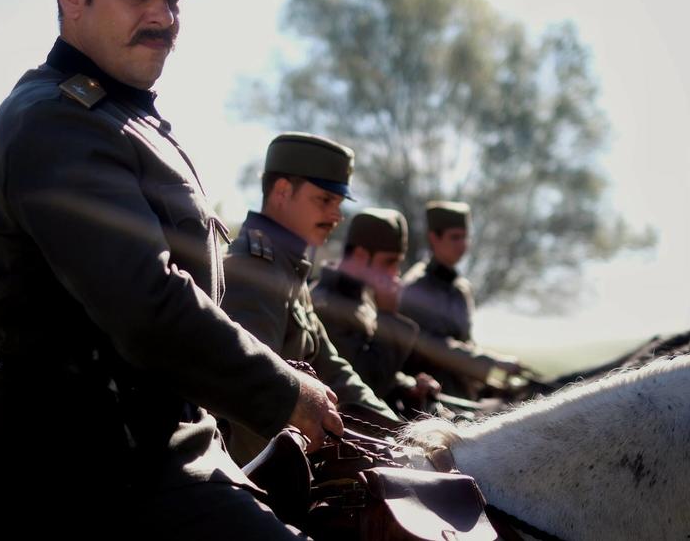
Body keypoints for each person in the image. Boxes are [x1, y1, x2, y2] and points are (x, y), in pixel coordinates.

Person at [0, 0, 339, 538]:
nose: (161, 16)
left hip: (165, 453)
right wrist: (284, 391)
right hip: (88, 473)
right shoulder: (56, 122)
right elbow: (147, 305)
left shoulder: (126, 118)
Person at [221, 133, 399, 464]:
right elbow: (249, 399)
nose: (336, 216)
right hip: (252, 472)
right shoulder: (254, 269)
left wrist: (400, 435)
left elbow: (334, 370)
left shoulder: (288, 270)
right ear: (282, 192)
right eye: (325, 201)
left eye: (339, 204)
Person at [311, 208, 440, 410]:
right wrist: (388, 316)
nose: (395, 273)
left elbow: (379, 368)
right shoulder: (326, 305)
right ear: (361, 255)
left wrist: (409, 386)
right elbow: (366, 382)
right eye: (389, 262)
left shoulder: (364, 298)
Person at [401, 200, 519, 397]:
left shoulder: (461, 287)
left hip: (463, 389)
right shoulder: (416, 286)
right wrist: (494, 362)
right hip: (427, 394)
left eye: (465, 237)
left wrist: (492, 382)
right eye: (454, 237)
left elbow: (466, 342)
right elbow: (433, 346)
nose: (462, 245)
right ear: (434, 238)